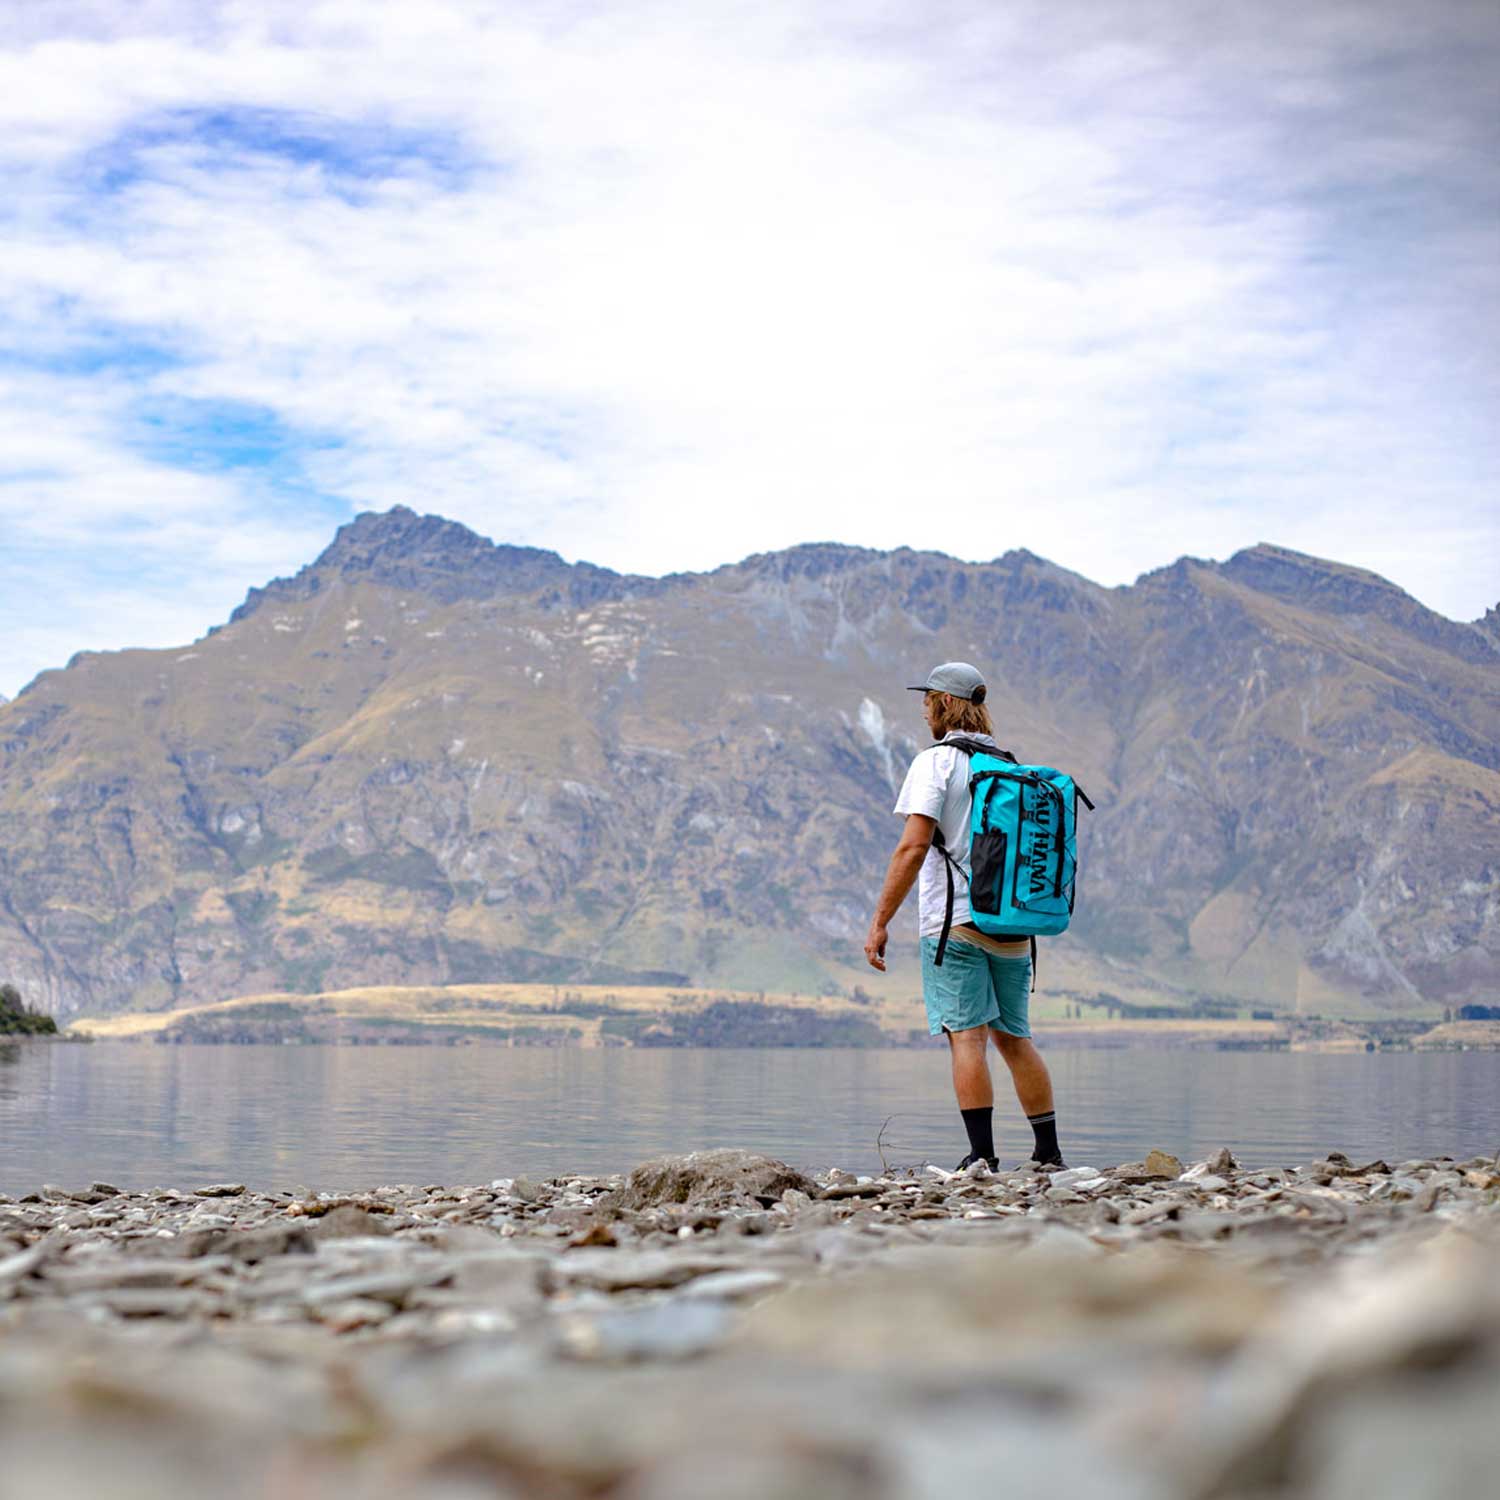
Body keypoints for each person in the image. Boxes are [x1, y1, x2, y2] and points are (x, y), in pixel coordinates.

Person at [863, 662, 1066, 1172]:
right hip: (1015, 923)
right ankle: (1048, 1152)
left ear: (946, 705)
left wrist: (880, 920)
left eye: (928, 699)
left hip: (956, 924)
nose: (924, 708)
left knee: (967, 1037)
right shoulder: (1010, 765)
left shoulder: (937, 764)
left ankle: (982, 1156)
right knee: (1016, 1040)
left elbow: (912, 847)